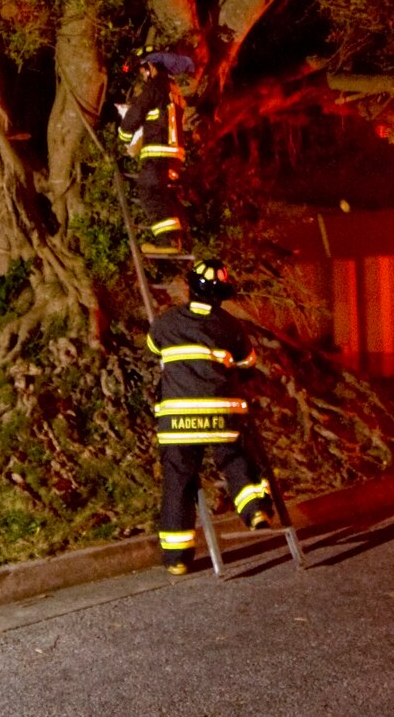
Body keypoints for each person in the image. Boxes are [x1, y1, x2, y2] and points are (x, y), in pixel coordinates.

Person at [145, 257, 275, 573]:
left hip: (178, 422)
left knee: (178, 480)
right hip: (221, 415)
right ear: (221, 294)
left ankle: (176, 559)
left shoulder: (165, 322)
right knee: (234, 457)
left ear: (190, 288)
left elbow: (153, 348)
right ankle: (255, 508)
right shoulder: (231, 326)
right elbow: (247, 364)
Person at [116, 49, 196, 249]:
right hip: (174, 155)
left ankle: (167, 241)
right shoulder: (173, 90)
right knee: (164, 194)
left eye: (143, 71)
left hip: (158, 153)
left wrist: (123, 136)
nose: (143, 76)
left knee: (148, 191)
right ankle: (178, 238)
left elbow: (137, 111)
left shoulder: (155, 87)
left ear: (151, 67)